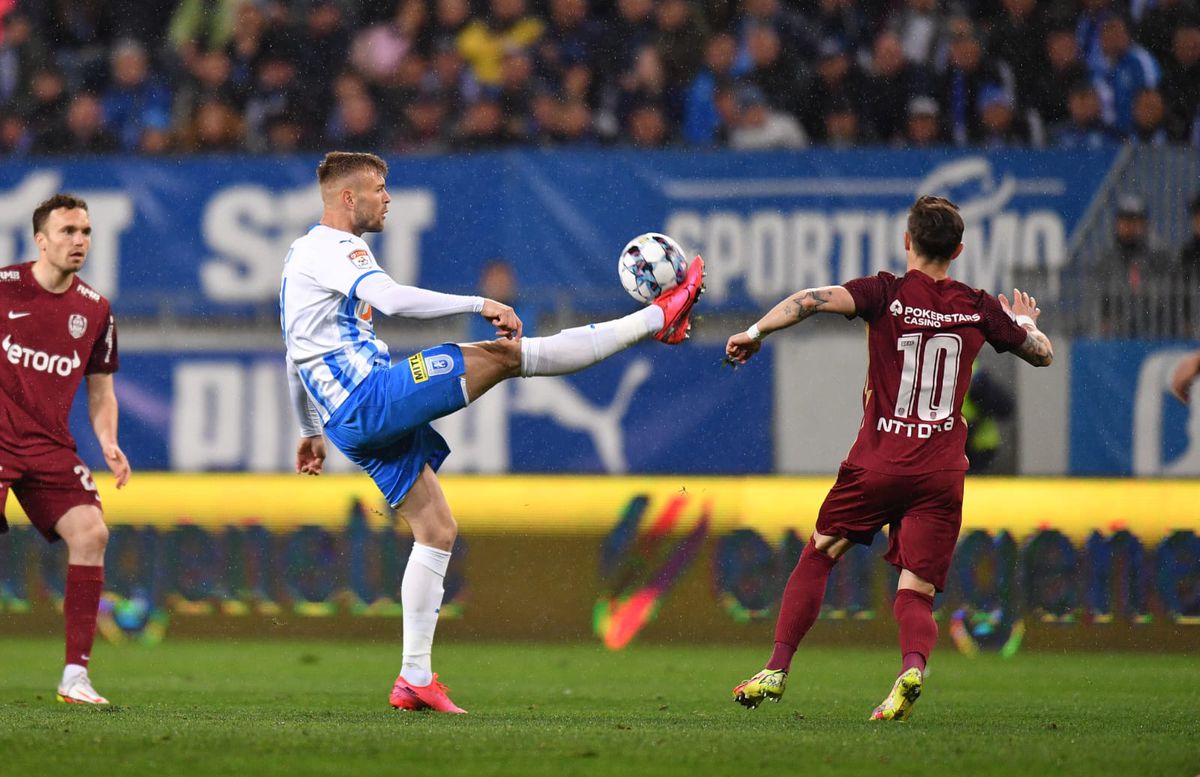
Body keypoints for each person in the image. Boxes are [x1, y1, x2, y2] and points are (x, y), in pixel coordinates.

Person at [280, 152, 704, 713]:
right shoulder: (337, 249)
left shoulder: (299, 258)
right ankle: (657, 318)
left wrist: (309, 430)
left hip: (348, 418)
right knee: (507, 356)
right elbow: (391, 299)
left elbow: (294, 351)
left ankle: (413, 679)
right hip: (370, 398)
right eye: (380, 188)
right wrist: (480, 302)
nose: (388, 198)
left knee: (435, 528)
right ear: (348, 198)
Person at [725, 196, 1053, 721]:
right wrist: (1023, 322)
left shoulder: (886, 294)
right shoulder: (978, 306)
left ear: (908, 241)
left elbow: (809, 300)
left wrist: (755, 332)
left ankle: (777, 668)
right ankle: (911, 668)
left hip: (878, 462)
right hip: (941, 472)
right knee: (915, 594)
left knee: (819, 554)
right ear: (960, 250)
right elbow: (1042, 354)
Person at [0, 195, 131, 705]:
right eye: (68, 231)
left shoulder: (95, 309)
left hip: (48, 445)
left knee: (91, 532)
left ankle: (75, 677)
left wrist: (108, 441)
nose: (79, 241)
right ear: (40, 240)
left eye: (85, 231)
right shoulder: (5, 287)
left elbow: (100, 388)